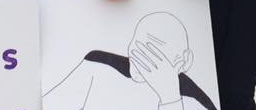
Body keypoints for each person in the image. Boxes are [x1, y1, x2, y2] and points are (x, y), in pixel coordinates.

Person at [43, 12, 217, 110]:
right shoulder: (97, 66)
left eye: (155, 52)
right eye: (138, 46)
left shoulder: (195, 102)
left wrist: (170, 98)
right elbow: (50, 103)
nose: (143, 59)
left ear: (184, 62)